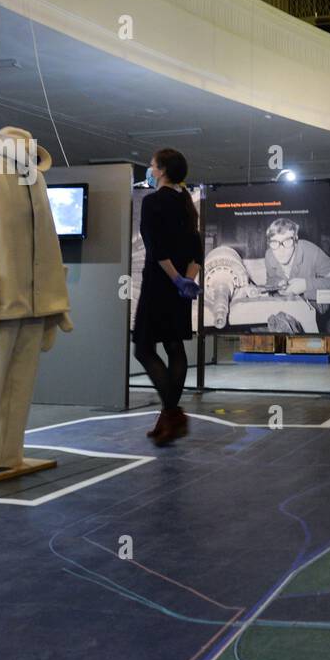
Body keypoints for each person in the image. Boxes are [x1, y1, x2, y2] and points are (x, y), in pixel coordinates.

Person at [133, 148, 203, 446]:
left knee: (143, 349)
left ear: (161, 171)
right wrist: (186, 281)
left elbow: (156, 248)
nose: (149, 170)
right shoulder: (187, 205)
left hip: (159, 285)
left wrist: (174, 278)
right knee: (174, 347)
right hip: (180, 289)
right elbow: (196, 251)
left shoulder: (152, 203)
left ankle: (172, 413)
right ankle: (170, 417)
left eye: (151, 166)